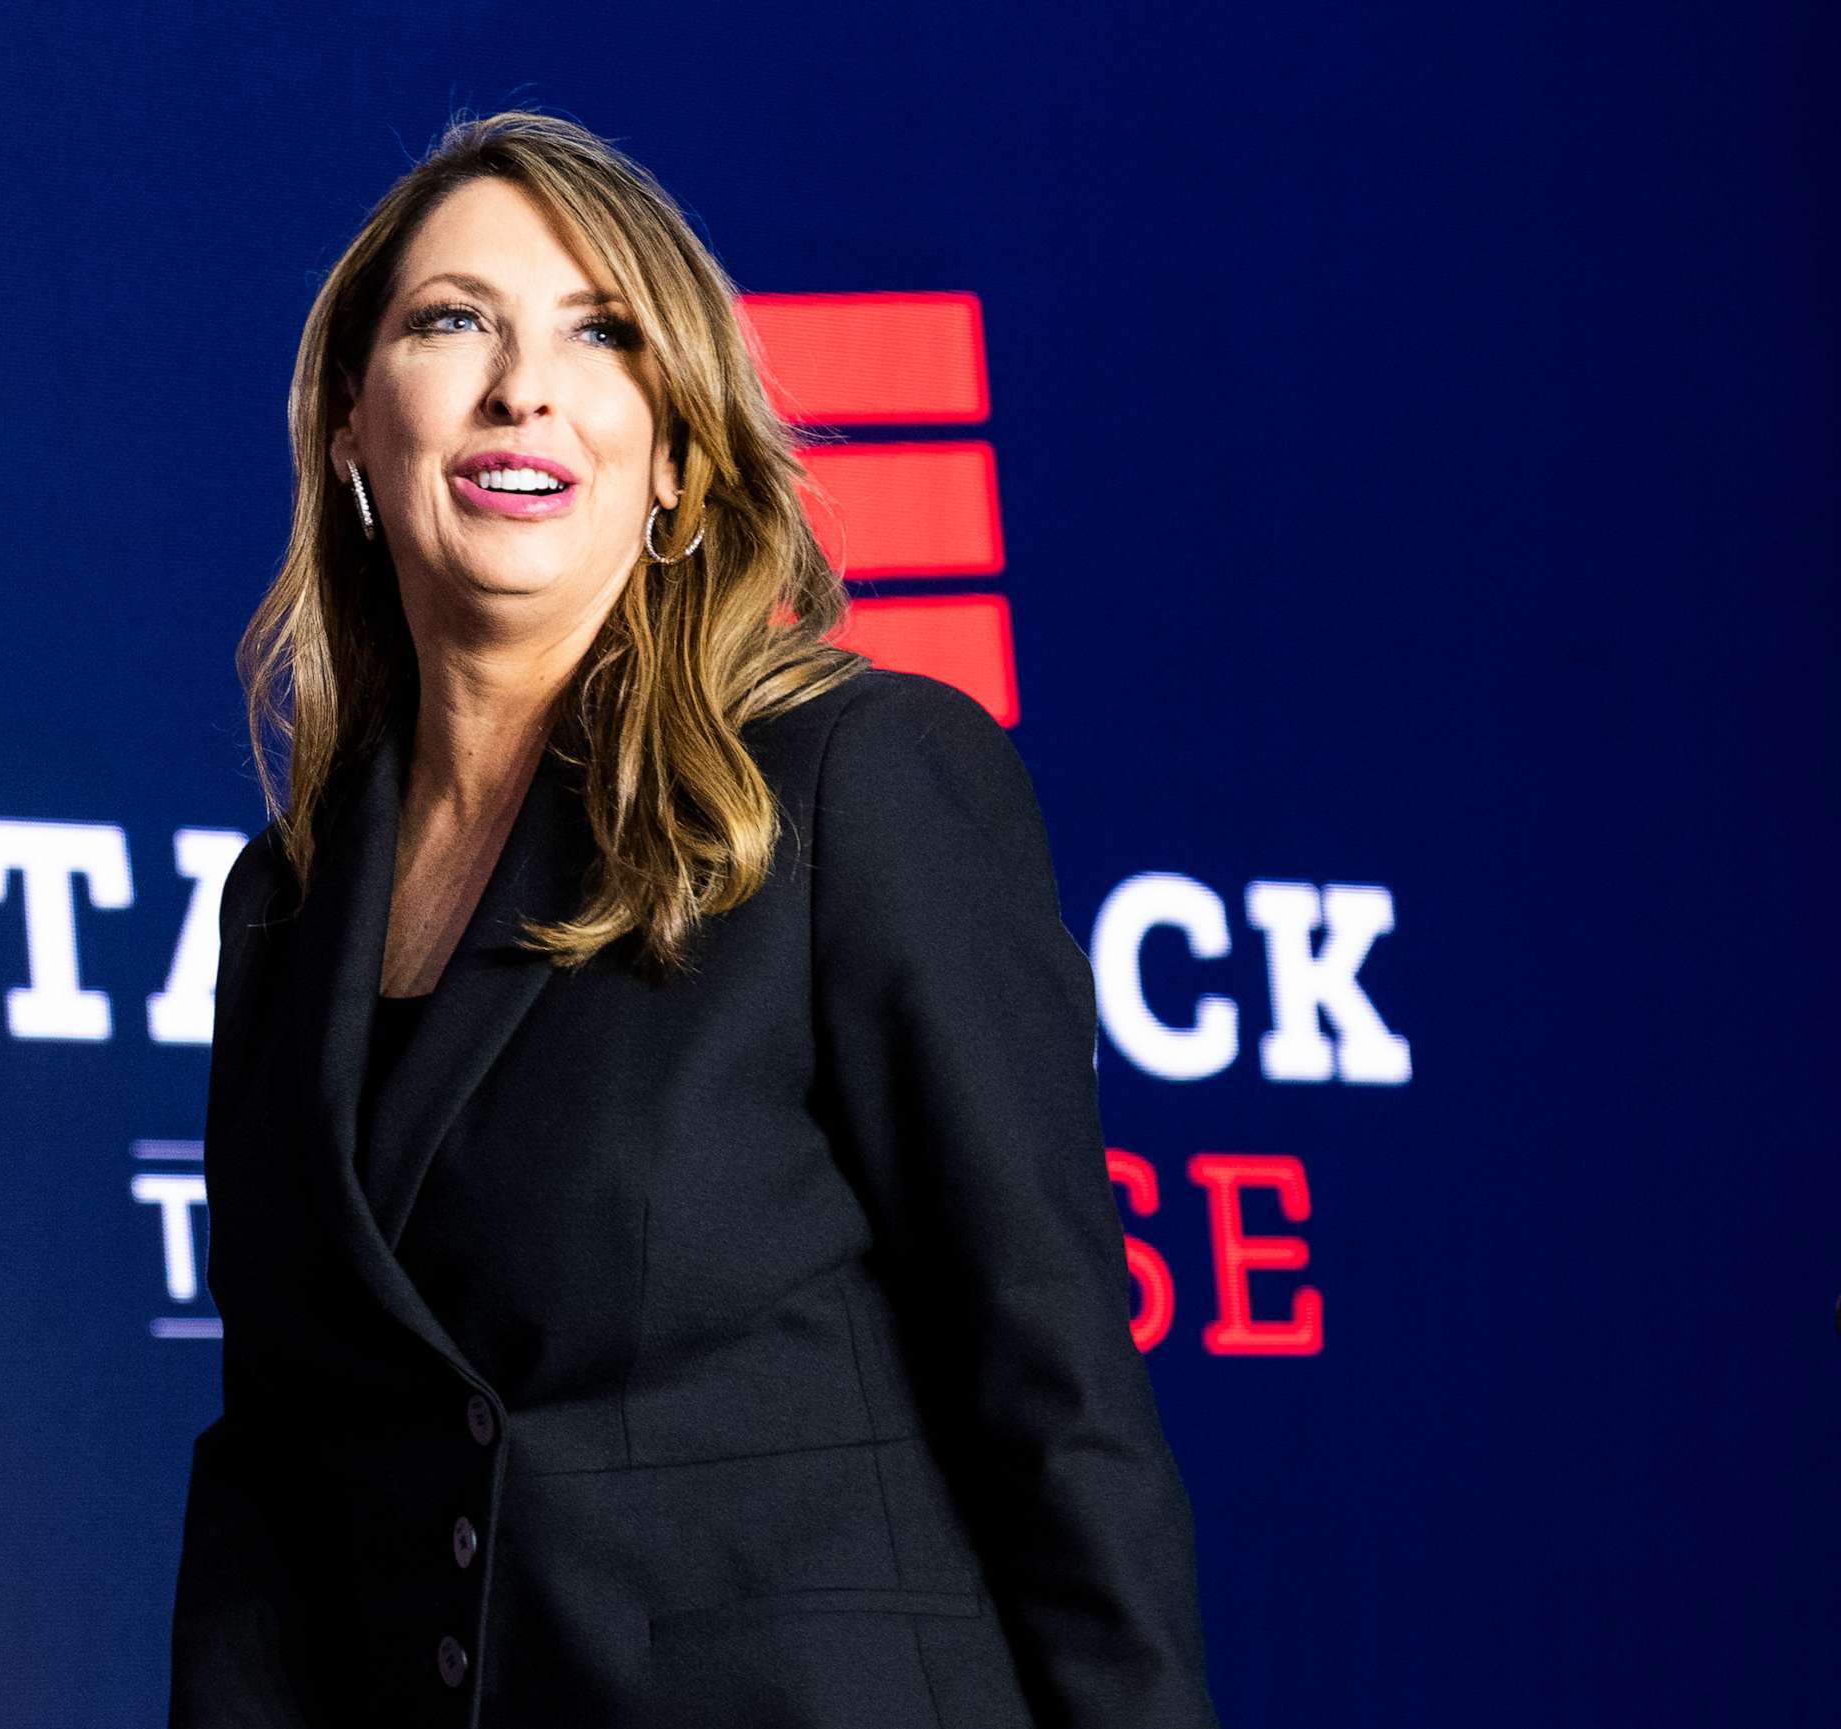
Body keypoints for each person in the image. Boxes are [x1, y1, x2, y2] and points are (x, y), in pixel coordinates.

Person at [168, 110, 1220, 1729]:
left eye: (603, 332)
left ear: (672, 453)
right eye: (456, 321)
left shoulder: (859, 781)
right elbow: (277, 1476)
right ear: (349, 433)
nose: (525, 382)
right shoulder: (285, 910)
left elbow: (1053, 1392)